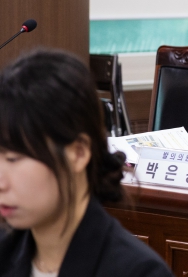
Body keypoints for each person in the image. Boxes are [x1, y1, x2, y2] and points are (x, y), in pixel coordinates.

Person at [0, 49, 173, 277]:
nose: (1, 183)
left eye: (13, 159)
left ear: (79, 153)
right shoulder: (6, 251)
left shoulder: (139, 271)